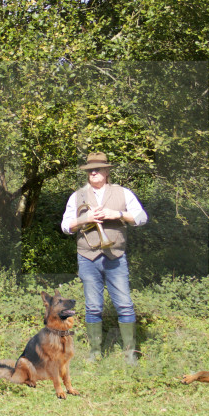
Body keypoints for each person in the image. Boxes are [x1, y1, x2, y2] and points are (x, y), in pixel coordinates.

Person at [60, 152, 148, 364]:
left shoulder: (123, 193)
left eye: (98, 169)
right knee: (93, 307)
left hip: (115, 256)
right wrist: (85, 219)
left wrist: (116, 214)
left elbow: (141, 218)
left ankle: (130, 354)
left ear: (107, 171)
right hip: (87, 257)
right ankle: (95, 353)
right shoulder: (77, 196)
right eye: (90, 170)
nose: (94, 172)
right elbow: (65, 226)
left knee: (125, 305)